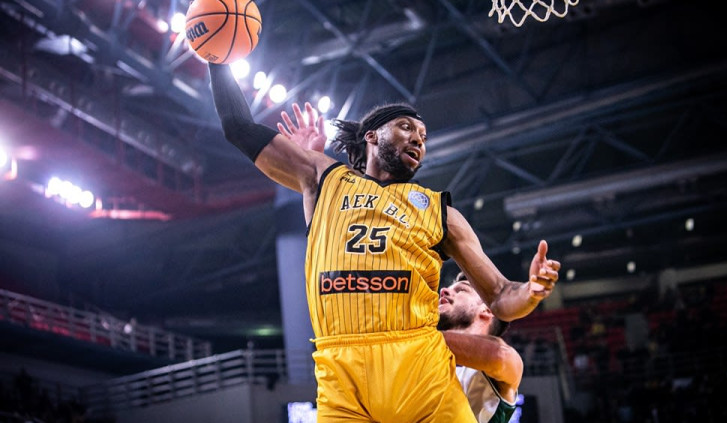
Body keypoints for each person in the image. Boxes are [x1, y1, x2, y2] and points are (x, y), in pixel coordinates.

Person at [208, 63, 561, 422]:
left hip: (415, 364)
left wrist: (531, 290)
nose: (418, 139)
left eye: (423, 136)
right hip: (340, 374)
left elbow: (500, 297)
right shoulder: (325, 179)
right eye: (406, 127)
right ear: (372, 136)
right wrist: (216, 59)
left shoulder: (440, 212)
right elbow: (238, 127)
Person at [438, 271, 523, 423]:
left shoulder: (499, 363)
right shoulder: (422, 356)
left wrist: (418, 336)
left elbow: (499, 355)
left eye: (461, 290)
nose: (443, 290)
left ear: (487, 310)